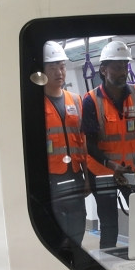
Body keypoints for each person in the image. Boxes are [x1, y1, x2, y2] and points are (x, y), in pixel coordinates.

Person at [81, 40, 135, 249]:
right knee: (109, 224)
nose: (123, 71)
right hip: (103, 171)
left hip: (131, 169)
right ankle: (107, 269)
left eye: (125, 66)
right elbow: (89, 145)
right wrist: (112, 166)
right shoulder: (90, 101)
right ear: (103, 70)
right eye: (117, 67)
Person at [42, 41, 88, 244]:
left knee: (78, 229)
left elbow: (83, 141)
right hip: (50, 178)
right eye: (52, 68)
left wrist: (87, 177)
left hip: (76, 175)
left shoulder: (76, 100)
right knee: (56, 232)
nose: (59, 72)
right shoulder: (33, 104)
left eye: (61, 67)